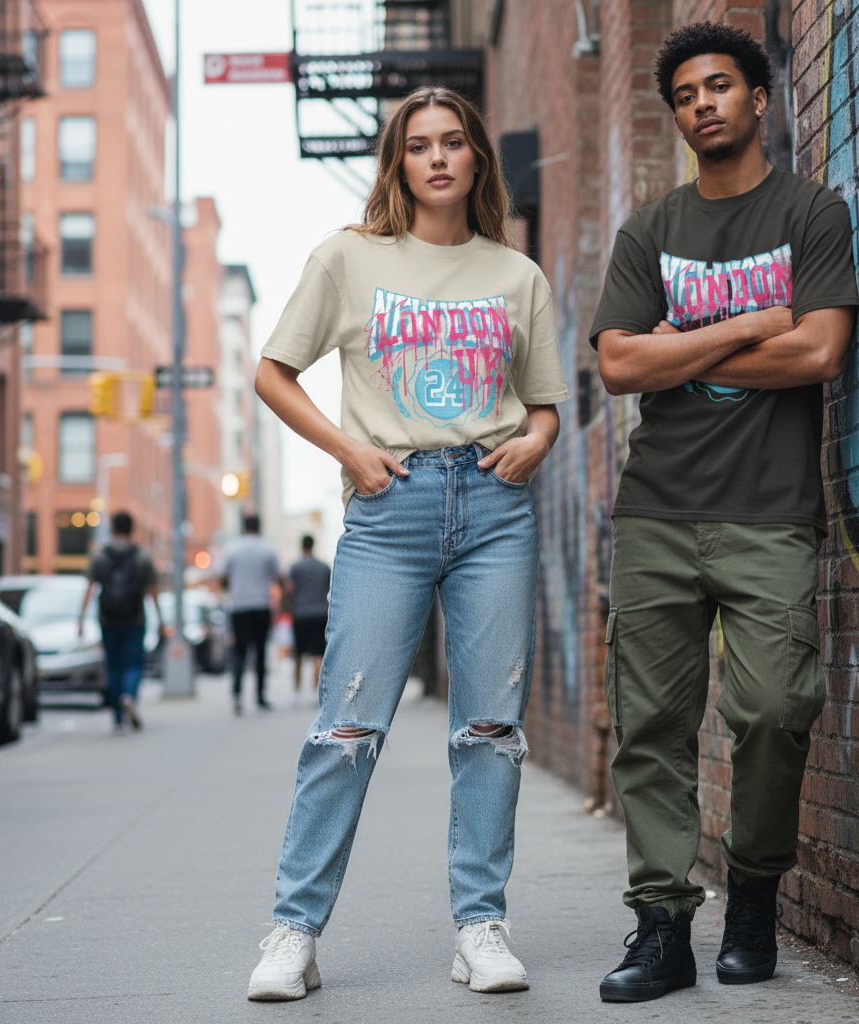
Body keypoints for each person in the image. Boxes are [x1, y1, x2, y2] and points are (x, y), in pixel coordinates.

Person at [246, 85, 569, 1001]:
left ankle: (481, 927)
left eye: (453, 142)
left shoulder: (517, 275)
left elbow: (545, 409)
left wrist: (535, 443)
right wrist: (352, 450)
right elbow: (273, 373)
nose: (436, 157)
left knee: (491, 728)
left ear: (476, 160)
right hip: (390, 510)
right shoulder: (350, 259)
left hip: (495, 508)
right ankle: (293, 934)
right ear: (398, 162)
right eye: (418, 144)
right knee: (345, 728)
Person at [590, 23, 859, 1003]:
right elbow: (619, 363)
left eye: (719, 87)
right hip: (657, 508)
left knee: (778, 708)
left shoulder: (810, 212)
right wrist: (751, 320)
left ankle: (752, 892)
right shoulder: (649, 232)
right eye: (686, 95)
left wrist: (683, 343)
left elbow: (819, 352)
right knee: (651, 727)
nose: (702, 103)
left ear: (758, 100)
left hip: (769, 511)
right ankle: (660, 927)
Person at [79, 511, 164, 733]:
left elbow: (89, 588)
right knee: (134, 664)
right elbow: (152, 591)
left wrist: (80, 619)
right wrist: (161, 619)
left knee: (113, 666)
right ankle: (129, 696)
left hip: (107, 619)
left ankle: (118, 719)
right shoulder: (142, 556)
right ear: (132, 529)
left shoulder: (100, 556)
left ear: (112, 528)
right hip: (135, 619)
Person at [222, 514, 281, 714]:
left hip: (239, 607)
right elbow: (277, 575)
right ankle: (260, 697)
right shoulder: (267, 549)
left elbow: (222, 577)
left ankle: (237, 696)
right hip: (261, 606)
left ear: (243, 527)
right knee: (260, 653)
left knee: (239, 652)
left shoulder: (232, 549)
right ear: (259, 526)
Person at [287, 534, 330, 702]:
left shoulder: (296, 567)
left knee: (298, 653)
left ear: (301, 546)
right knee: (318, 654)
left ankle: (297, 692)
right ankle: (315, 692)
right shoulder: (324, 567)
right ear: (313, 545)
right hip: (320, 613)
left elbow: (290, 589)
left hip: (301, 614)